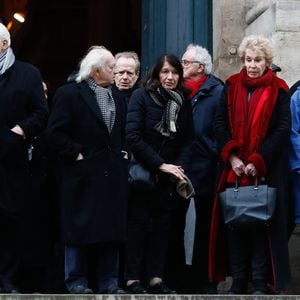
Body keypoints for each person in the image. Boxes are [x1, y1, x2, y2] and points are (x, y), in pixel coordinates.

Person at [209, 35, 291, 295]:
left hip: (264, 171)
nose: (252, 64)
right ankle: (238, 281)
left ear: (268, 62)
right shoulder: (231, 86)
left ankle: (258, 282)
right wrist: (232, 157)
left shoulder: (279, 89)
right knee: (234, 225)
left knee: (260, 227)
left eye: (258, 60)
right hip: (234, 172)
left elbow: (282, 129)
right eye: (248, 60)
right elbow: (219, 124)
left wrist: (258, 159)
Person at [46, 46, 128, 294]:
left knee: (111, 229)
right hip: (81, 174)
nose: (115, 72)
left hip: (112, 174)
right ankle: (76, 281)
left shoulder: (119, 98)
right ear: (96, 71)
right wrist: (76, 153)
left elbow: (121, 134)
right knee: (78, 228)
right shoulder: (69, 94)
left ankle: (109, 281)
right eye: (112, 67)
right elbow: (55, 133)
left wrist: (124, 154)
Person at [124, 53, 194, 294]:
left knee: (163, 228)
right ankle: (133, 279)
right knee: (138, 226)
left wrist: (179, 167)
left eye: (175, 72)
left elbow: (188, 139)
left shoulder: (183, 100)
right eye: (165, 72)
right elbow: (132, 136)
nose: (170, 77)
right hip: (144, 173)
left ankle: (156, 278)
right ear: (156, 74)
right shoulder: (141, 96)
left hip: (169, 176)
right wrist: (159, 165)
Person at [0, 23, 48, 293]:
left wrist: (19, 131)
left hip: (12, 161)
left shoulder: (27, 74)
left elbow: (41, 114)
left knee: (9, 222)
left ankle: (7, 278)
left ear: (4, 44)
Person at [177, 43, 223, 293]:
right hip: (181, 169)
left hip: (207, 169)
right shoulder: (179, 92)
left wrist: (215, 153)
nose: (180, 66)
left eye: (185, 62)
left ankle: (205, 280)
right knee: (177, 225)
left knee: (205, 228)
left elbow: (221, 129)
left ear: (200, 67)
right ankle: (179, 278)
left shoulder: (216, 92)